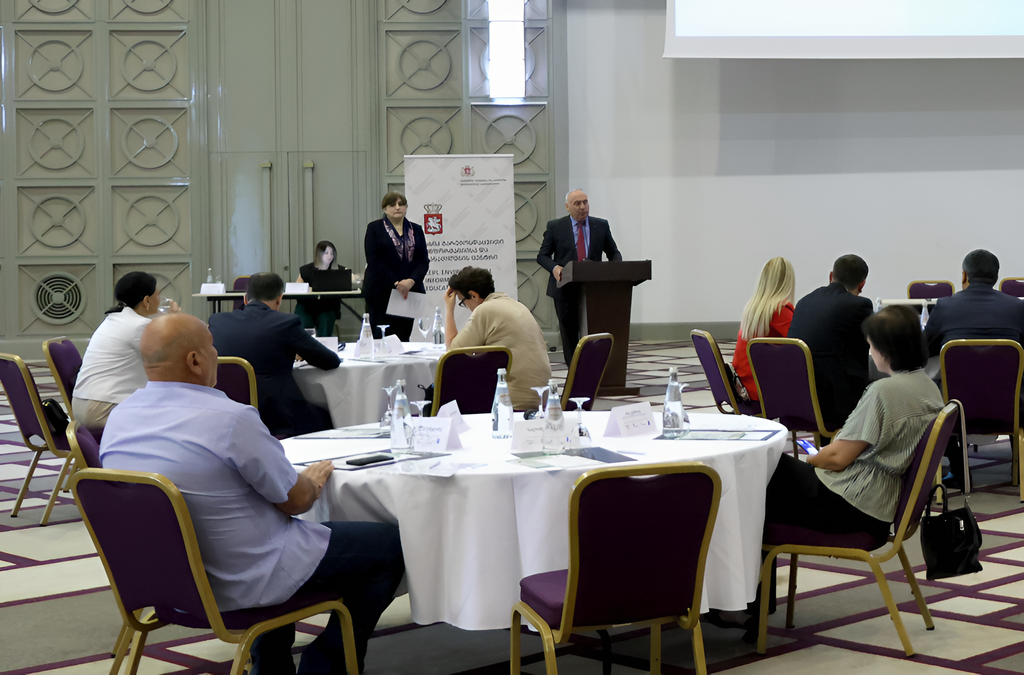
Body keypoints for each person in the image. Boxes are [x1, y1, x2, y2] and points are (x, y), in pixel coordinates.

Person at [99, 313, 405, 674]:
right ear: (195, 361)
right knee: (391, 546)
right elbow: (296, 501)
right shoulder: (230, 419)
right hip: (243, 579)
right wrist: (310, 481)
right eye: (212, 347)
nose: (217, 354)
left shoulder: (119, 418)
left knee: (255, 527)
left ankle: (271, 665)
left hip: (164, 581)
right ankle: (327, 665)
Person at [923, 249, 1024, 488]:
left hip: (955, 409)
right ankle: (1019, 468)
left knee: (933, 396)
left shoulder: (945, 306)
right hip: (1011, 408)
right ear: (996, 277)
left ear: (964, 275)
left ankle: (959, 471)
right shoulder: (1017, 308)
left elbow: (923, 350)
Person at [209, 272, 339, 437]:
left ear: (245, 298)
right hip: (277, 417)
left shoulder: (217, 321)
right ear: (279, 299)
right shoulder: (285, 323)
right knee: (329, 416)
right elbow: (330, 361)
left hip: (228, 413)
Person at [72, 271, 179, 432]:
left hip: (84, 405)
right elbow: (171, 358)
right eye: (158, 294)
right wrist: (175, 318)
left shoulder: (116, 319)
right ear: (147, 300)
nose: (161, 299)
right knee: (175, 414)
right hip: (103, 409)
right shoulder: (138, 326)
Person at [443, 266, 552, 410]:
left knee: (450, 397)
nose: (466, 306)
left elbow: (453, 352)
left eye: (463, 302)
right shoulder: (516, 305)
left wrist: (449, 309)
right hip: (543, 397)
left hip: (513, 400)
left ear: (473, 295)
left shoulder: (484, 310)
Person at [537, 189, 621, 367]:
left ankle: (596, 367)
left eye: (585, 202)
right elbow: (542, 256)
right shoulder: (555, 226)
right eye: (577, 203)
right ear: (567, 207)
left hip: (594, 290)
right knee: (569, 334)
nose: (583, 207)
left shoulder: (601, 225)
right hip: (565, 289)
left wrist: (614, 271)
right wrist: (555, 267)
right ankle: (574, 370)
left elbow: (613, 252)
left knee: (594, 331)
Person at [787, 254, 873, 429]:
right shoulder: (860, 305)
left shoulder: (804, 301)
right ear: (862, 284)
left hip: (795, 398)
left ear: (831, 276)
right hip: (833, 405)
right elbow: (875, 346)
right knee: (886, 388)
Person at [363, 191, 429, 341]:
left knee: (403, 337)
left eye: (401, 204)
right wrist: (396, 282)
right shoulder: (374, 228)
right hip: (381, 292)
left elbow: (423, 261)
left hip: (409, 292)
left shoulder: (416, 229)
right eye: (392, 204)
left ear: (406, 207)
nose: (397, 207)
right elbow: (374, 260)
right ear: (385, 209)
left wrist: (411, 281)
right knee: (382, 338)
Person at [731, 257, 795, 401]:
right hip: (763, 388)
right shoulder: (780, 309)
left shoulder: (753, 307)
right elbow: (801, 343)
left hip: (744, 384)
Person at [295, 240, 343, 338]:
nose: (330, 256)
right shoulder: (306, 270)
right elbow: (297, 288)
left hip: (328, 306)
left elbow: (351, 279)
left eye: (332, 253)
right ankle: (306, 344)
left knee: (326, 319)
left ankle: (323, 344)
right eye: (326, 253)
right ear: (319, 254)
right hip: (307, 305)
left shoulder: (339, 271)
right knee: (303, 319)